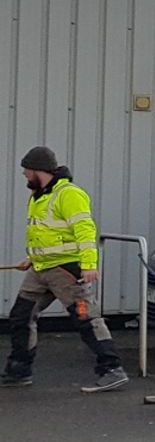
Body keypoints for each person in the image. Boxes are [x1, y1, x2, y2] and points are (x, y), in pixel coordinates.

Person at [4, 147, 128, 392]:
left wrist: (89, 264)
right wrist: (31, 258)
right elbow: (46, 235)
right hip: (40, 270)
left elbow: (85, 230)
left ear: (38, 169)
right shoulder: (39, 196)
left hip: (66, 272)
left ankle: (112, 369)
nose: (24, 175)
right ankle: (19, 370)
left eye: (26, 170)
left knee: (85, 318)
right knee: (21, 317)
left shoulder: (69, 194)